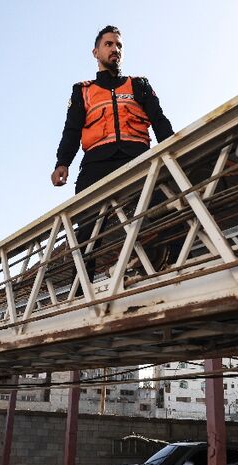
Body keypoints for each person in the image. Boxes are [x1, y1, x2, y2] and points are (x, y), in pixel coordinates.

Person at [51, 25, 174, 280]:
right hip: (96, 163)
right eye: (109, 44)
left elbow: (159, 120)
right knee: (86, 233)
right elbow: (72, 130)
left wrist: (172, 148)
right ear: (96, 52)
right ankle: (81, 290)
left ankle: (168, 265)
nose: (115, 49)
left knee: (166, 205)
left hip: (137, 158)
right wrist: (63, 162)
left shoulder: (139, 85)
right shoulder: (82, 91)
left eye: (119, 45)